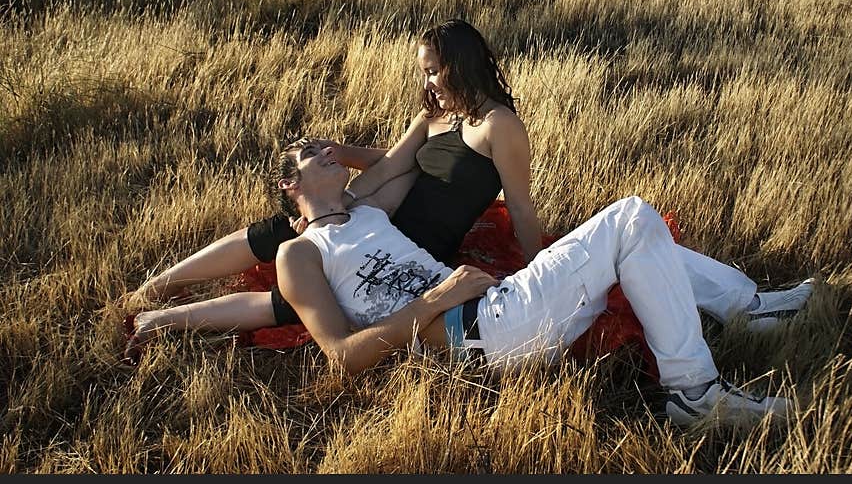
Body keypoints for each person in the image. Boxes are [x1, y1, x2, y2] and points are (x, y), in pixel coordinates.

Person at [129, 139, 813, 426]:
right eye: (310, 152)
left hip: (497, 311)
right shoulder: (299, 254)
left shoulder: (367, 209)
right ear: (289, 186)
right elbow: (340, 356)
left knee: (639, 239)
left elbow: (412, 150)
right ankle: (695, 392)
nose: (324, 150)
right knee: (630, 219)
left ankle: (749, 308)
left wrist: (348, 150)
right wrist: (434, 298)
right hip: (473, 328)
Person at [130, 19, 543, 337]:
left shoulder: (498, 124)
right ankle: (161, 285)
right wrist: (337, 209)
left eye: (433, 71)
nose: (427, 83)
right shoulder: (434, 115)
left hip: (414, 241)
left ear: (460, 65)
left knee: (303, 296)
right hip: (376, 217)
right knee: (279, 231)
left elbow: (520, 204)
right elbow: (390, 166)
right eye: (424, 72)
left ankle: (167, 320)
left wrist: (534, 268)